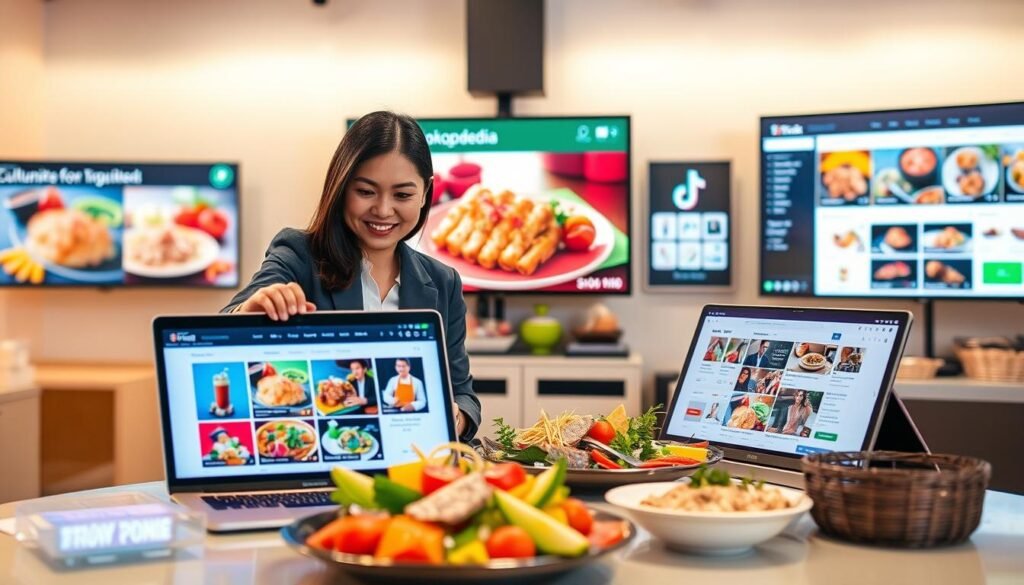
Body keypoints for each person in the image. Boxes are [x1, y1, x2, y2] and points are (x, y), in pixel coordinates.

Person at [222, 111, 480, 440]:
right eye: (366, 192)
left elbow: (463, 396)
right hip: (320, 454)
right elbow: (230, 317)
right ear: (341, 186)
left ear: (426, 193)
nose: (384, 210)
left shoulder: (443, 282)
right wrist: (252, 310)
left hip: (410, 465)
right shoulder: (299, 254)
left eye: (402, 195)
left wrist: (451, 418)